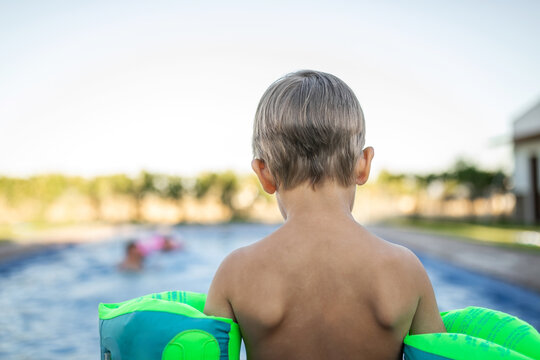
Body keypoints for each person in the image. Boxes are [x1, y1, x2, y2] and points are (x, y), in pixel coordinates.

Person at [204, 70, 446, 359]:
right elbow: (442, 353)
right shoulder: (404, 268)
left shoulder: (236, 271)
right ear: (363, 164)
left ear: (264, 173)